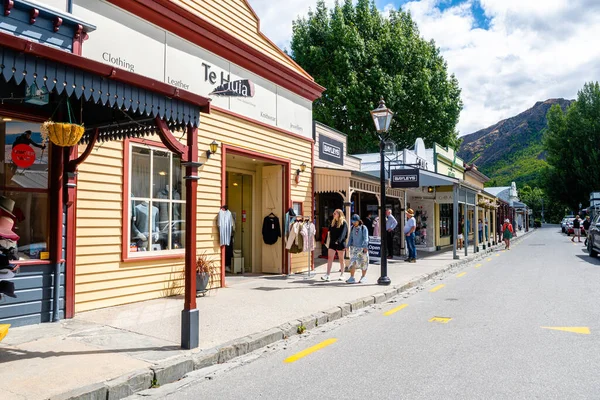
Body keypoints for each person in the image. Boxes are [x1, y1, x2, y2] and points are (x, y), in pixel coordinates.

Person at [322, 209, 348, 282]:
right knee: (330, 258)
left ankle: (342, 274)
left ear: (339, 214)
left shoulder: (344, 223)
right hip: (332, 242)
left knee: (341, 259)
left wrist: (339, 240)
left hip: (340, 243)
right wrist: (326, 240)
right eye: (333, 213)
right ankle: (327, 274)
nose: (333, 215)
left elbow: (344, 234)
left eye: (335, 213)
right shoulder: (333, 222)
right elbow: (329, 232)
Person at [346, 214, 369, 284]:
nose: (354, 223)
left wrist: (365, 246)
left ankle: (363, 277)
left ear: (359, 221)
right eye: (353, 221)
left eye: (355, 221)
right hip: (354, 248)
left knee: (364, 262)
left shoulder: (363, 228)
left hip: (362, 248)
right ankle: (352, 277)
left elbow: (366, 238)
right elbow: (350, 237)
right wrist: (348, 245)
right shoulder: (352, 228)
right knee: (353, 262)